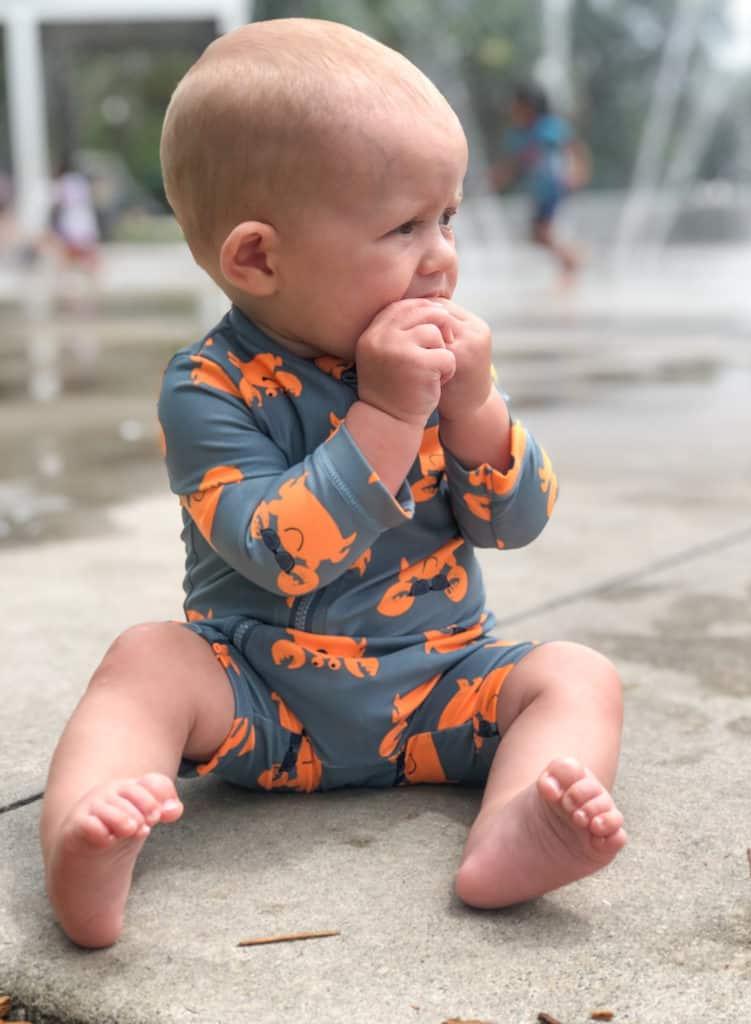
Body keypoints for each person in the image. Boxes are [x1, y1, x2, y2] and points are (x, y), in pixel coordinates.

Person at [39, 19, 626, 949]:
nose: (441, 257)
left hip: (441, 692)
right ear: (259, 259)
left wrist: (473, 408)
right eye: (402, 227)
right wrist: (391, 418)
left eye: (448, 218)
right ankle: (92, 831)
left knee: (576, 675)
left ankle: (518, 825)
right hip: (262, 695)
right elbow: (279, 553)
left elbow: (514, 523)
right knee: (146, 662)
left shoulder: (432, 358)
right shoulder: (209, 388)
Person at [491, 83, 590, 277]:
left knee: (542, 232)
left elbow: (574, 148)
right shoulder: (519, 135)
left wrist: (578, 171)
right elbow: (513, 165)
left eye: (516, 106)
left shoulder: (549, 127)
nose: (512, 110)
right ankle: (571, 263)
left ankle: (574, 261)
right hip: (540, 191)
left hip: (554, 187)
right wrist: (495, 179)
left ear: (529, 107)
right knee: (538, 234)